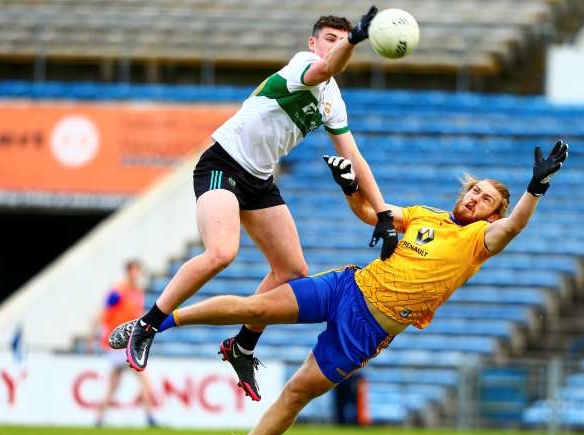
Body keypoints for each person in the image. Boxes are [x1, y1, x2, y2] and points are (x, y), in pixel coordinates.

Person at [151, 141, 568, 435]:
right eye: (474, 190)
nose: (474, 198)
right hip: (347, 287)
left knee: (296, 394)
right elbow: (371, 214)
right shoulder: (424, 215)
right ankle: (153, 324)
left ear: (492, 215)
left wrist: (536, 187)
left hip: (366, 332)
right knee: (255, 307)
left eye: (485, 199)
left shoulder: (481, 238)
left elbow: (514, 227)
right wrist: (350, 187)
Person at [108, 7, 399, 404]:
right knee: (221, 253)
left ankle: (242, 346)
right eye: (328, 39)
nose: (334, 46)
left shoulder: (332, 99)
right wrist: (354, 38)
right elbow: (325, 67)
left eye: (340, 39)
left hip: (259, 180)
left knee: (292, 271)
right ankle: (147, 325)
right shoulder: (304, 64)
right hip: (223, 164)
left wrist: (382, 214)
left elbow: (355, 157)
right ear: (313, 43)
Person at [92, 260, 156, 427]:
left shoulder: (138, 292)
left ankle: (99, 418)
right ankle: (150, 418)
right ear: (128, 271)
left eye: (139, 270)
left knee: (114, 386)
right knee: (144, 379)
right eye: (135, 270)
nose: (138, 274)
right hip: (118, 343)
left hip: (128, 342)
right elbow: (103, 312)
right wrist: (92, 335)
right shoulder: (118, 291)